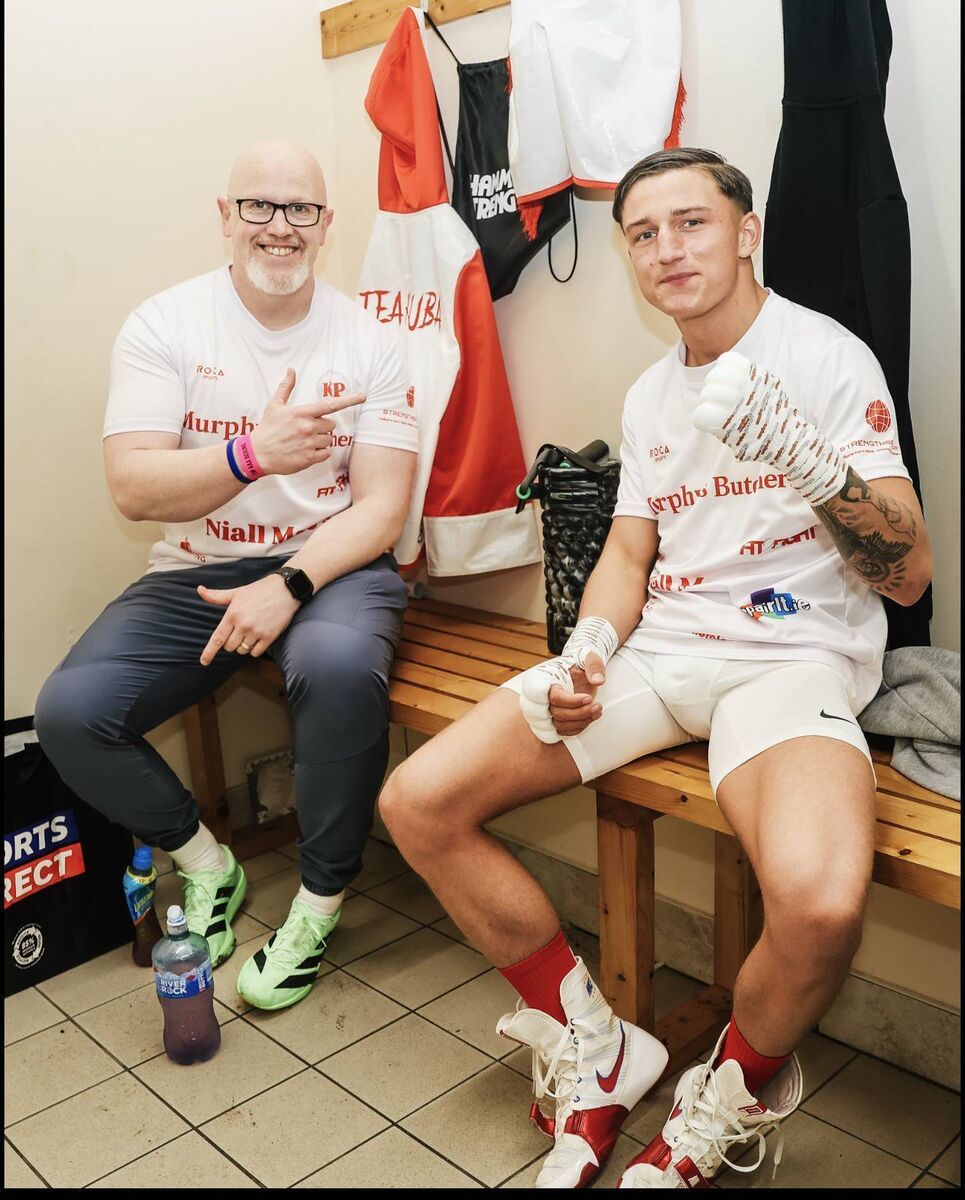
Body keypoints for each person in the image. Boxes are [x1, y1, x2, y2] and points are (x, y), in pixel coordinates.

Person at [377, 147, 932, 1188]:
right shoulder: (648, 395)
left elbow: (906, 575)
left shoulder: (826, 357)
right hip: (663, 649)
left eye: (691, 222)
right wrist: (589, 646)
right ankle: (593, 1048)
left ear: (745, 232)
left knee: (818, 907)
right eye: (642, 233)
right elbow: (630, 553)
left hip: (790, 655)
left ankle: (723, 1096)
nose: (666, 249)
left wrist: (812, 467)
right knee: (419, 801)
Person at [35, 139, 418, 1013]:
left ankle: (317, 904)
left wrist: (289, 585)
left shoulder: (372, 341)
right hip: (197, 572)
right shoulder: (165, 324)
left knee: (335, 666)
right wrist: (251, 454)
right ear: (225, 216)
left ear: (326, 224)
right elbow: (133, 487)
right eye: (259, 206)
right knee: (71, 712)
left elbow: (381, 510)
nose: (279, 227)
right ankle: (207, 863)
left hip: (330, 566)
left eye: (300, 210)